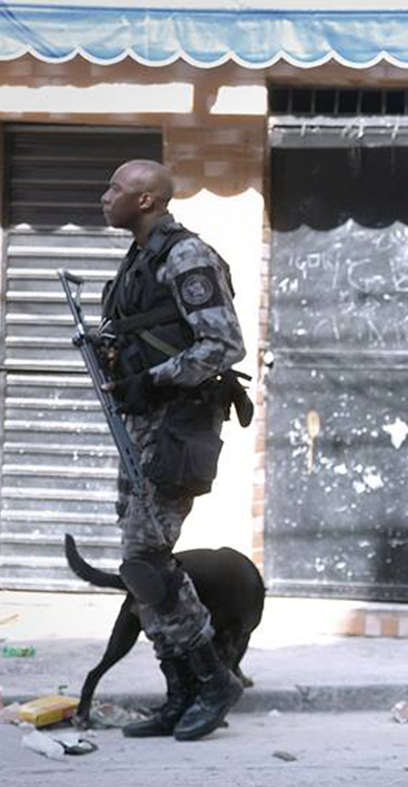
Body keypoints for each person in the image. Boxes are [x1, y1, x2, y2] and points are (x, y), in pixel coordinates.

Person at [97, 159, 248, 742]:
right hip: (140, 426)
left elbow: (223, 344)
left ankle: (213, 679)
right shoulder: (142, 258)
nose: (103, 196)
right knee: (141, 562)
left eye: (116, 188)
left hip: (175, 427)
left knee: (147, 558)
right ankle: (179, 689)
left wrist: (154, 379)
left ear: (147, 201)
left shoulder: (187, 256)